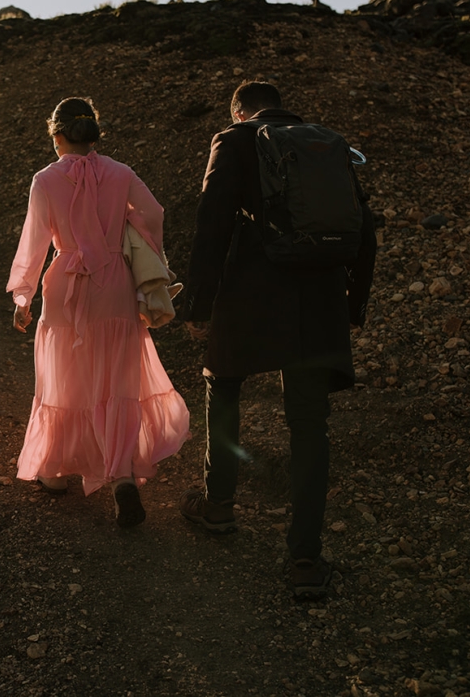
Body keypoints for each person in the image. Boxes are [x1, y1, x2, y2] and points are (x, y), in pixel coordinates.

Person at [180, 81, 376, 597]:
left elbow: (212, 221)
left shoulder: (235, 138)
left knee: (222, 384)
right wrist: (352, 306)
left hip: (250, 296)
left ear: (239, 109)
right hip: (320, 303)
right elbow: (364, 226)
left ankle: (219, 506)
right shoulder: (328, 143)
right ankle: (305, 562)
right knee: (310, 426)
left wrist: (197, 304)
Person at [8, 97, 190, 528]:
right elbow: (154, 212)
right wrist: (131, 235)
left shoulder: (44, 179)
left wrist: (23, 297)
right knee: (117, 380)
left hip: (66, 286)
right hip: (115, 284)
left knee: (65, 378)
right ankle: (122, 476)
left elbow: (34, 243)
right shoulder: (121, 173)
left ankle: (53, 473)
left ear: (56, 136)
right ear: (93, 135)